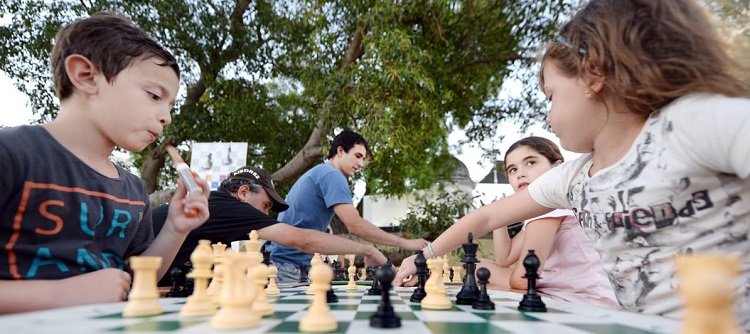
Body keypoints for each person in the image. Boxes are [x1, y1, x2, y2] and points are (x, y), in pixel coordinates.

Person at [395, 0, 750, 328]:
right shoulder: (573, 178)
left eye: (551, 96)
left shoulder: (690, 125)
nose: (548, 115)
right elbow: (486, 217)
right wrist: (424, 255)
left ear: (593, 76)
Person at [0, 12, 211, 314]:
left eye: (171, 105)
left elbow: (137, 281)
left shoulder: (133, 189)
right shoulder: (11, 154)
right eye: (154, 95)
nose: (167, 116)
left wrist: (176, 229)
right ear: (86, 76)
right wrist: (61, 293)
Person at [151, 165, 389, 286]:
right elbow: (302, 240)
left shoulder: (215, 206)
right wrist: (367, 249)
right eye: (265, 205)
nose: (266, 214)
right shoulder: (227, 207)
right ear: (243, 192)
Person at [268, 129, 429, 281]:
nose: (360, 163)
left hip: (285, 265)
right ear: (340, 151)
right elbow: (355, 226)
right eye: (357, 156)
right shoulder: (332, 175)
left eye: (363, 158)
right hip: (289, 268)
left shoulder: (321, 172)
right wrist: (404, 243)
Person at [478, 136, 619, 309]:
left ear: (557, 167)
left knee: (479, 269)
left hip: (587, 303)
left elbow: (523, 281)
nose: (520, 173)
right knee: (480, 267)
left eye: (530, 163)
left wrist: (487, 273)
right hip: (575, 297)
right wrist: (498, 216)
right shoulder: (542, 211)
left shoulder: (552, 207)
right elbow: (504, 258)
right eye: (512, 169)